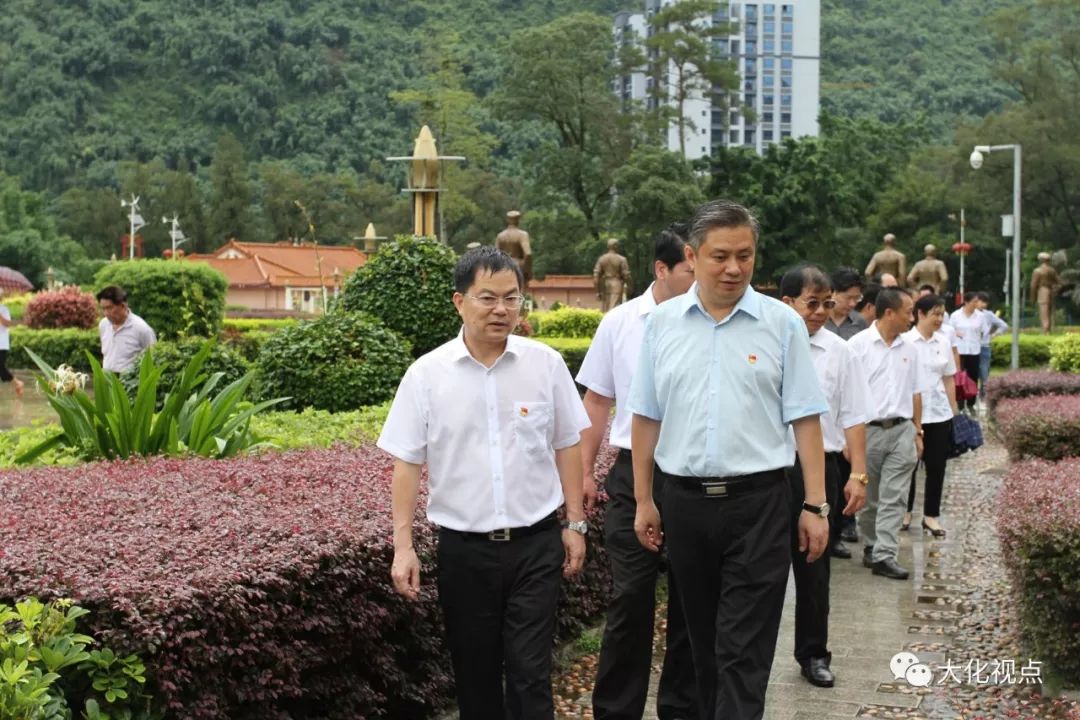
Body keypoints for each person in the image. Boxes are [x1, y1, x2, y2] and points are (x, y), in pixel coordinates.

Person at [629, 200, 830, 720]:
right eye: (721, 256)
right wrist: (644, 499)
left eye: (745, 255)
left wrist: (815, 505)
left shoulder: (782, 323)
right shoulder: (662, 324)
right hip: (685, 504)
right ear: (692, 256)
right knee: (703, 644)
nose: (734, 268)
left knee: (744, 649)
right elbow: (646, 417)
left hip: (760, 504)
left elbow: (806, 418)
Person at [379, 246, 590, 720]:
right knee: (474, 675)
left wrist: (575, 523)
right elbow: (407, 464)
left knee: (530, 671)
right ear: (460, 302)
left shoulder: (545, 364)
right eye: (488, 298)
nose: (502, 310)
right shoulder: (426, 375)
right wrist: (403, 546)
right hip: (465, 550)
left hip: (535, 544)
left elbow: (568, 443)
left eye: (512, 299)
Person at [577, 224, 697, 720]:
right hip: (631, 475)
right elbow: (598, 398)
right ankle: (615, 709)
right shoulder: (621, 323)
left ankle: (681, 707)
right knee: (630, 597)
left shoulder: (714, 322)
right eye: (693, 269)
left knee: (692, 602)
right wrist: (584, 473)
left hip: (691, 474)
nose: (704, 276)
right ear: (662, 269)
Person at [779, 264, 869, 689]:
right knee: (761, 565)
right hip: (770, 470)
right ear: (787, 303)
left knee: (814, 566)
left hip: (823, 470)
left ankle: (813, 653)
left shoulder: (840, 351)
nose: (819, 312)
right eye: (810, 303)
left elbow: (853, 415)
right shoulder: (765, 345)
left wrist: (860, 475)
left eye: (826, 303)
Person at [848, 287, 923, 581]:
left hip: (902, 430)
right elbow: (846, 394)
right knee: (870, 498)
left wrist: (918, 430)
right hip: (868, 432)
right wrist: (847, 440)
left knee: (895, 497)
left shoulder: (911, 348)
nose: (912, 318)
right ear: (889, 312)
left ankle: (884, 554)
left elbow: (916, 391)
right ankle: (870, 544)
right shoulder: (857, 346)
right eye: (908, 311)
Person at [902, 294, 958, 538]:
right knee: (908, 466)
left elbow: (948, 379)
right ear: (920, 314)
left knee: (937, 466)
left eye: (942, 314)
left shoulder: (943, 342)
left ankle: (931, 516)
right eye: (934, 313)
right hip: (910, 412)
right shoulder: (904, 341)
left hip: (939, 413)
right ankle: (905, 512)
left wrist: (953, 410)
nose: (939, 319)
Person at [96, 286, 156, 373]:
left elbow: (153, 358)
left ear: (123, 306)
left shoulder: (142, 329)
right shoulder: (103, 324)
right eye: (103, 309)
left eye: (109, 308)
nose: (106, 313)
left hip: (129, 383)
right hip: (106, 379)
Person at [949, 292, 983, 412]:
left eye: (977, 301)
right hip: (960, 351)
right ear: (967, 302)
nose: (976, 304)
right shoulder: (955, 316)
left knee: (973, 378)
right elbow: (949, 331)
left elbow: (984, 331)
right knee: (959, 378)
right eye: (974, 301)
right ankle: (960, 403)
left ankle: (971, 403)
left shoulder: (980, 316)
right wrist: (955, 333)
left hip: (974, 350)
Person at [976, 291, 1007, 400]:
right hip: (970, 348)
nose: (983, 304)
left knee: (984, 373)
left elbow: (1003, 325)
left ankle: (984, 396)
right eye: (981, 301)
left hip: (984, 346)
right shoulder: (969, 314)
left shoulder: (988, 314)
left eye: (985, 302)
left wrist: (994, 334)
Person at [824, 267, 867, 341]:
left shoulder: (859, 322)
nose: (852, 304)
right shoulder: (818, 319)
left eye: (857, 298)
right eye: (848, 298)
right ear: (833, 293)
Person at [594, 238, 633, 312]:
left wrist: (597, 291)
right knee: (614, 309)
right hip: (617, 284)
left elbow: (596, 276)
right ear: (615, 246)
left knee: (606, 309)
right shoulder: (621, 259)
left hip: (605, 285)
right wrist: (630, 287)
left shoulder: (601, 259)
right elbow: (626, 276)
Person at [495, 210, 534, 283]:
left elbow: (495, 255)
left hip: (503, 267)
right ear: (518, 220)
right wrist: (527, 270)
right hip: (518, 267)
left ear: (507, 220)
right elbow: (528, 253)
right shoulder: (522, 235)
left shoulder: (500, 236)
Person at [1030, 252, 1060, 334]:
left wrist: (1033, 298)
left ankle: (1045, 332)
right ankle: (1048, 331)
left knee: (1044, 315)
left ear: (1040, 260)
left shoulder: (1037, 271)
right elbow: (1059, 282)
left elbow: (1033, 286)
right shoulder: (1052, 270)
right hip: (1050, 292)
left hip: (1042, 292)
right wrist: (1055, 290)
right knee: (1049, 314)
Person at [0, 298, 25, 397]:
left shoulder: (4, 309)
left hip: (1, 344)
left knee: (1, 368)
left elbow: (7, 324)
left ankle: (18, 383)